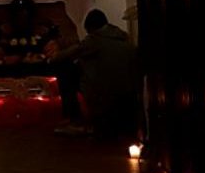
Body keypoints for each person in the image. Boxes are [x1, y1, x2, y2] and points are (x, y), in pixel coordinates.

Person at [47, 9, 137, 138]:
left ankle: (74, 118)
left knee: (65, 69)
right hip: (128, 91)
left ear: (92, 28)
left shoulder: (96, 39)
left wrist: (52, 57)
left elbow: (66, 55)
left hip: (103, 91)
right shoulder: (123, 38)